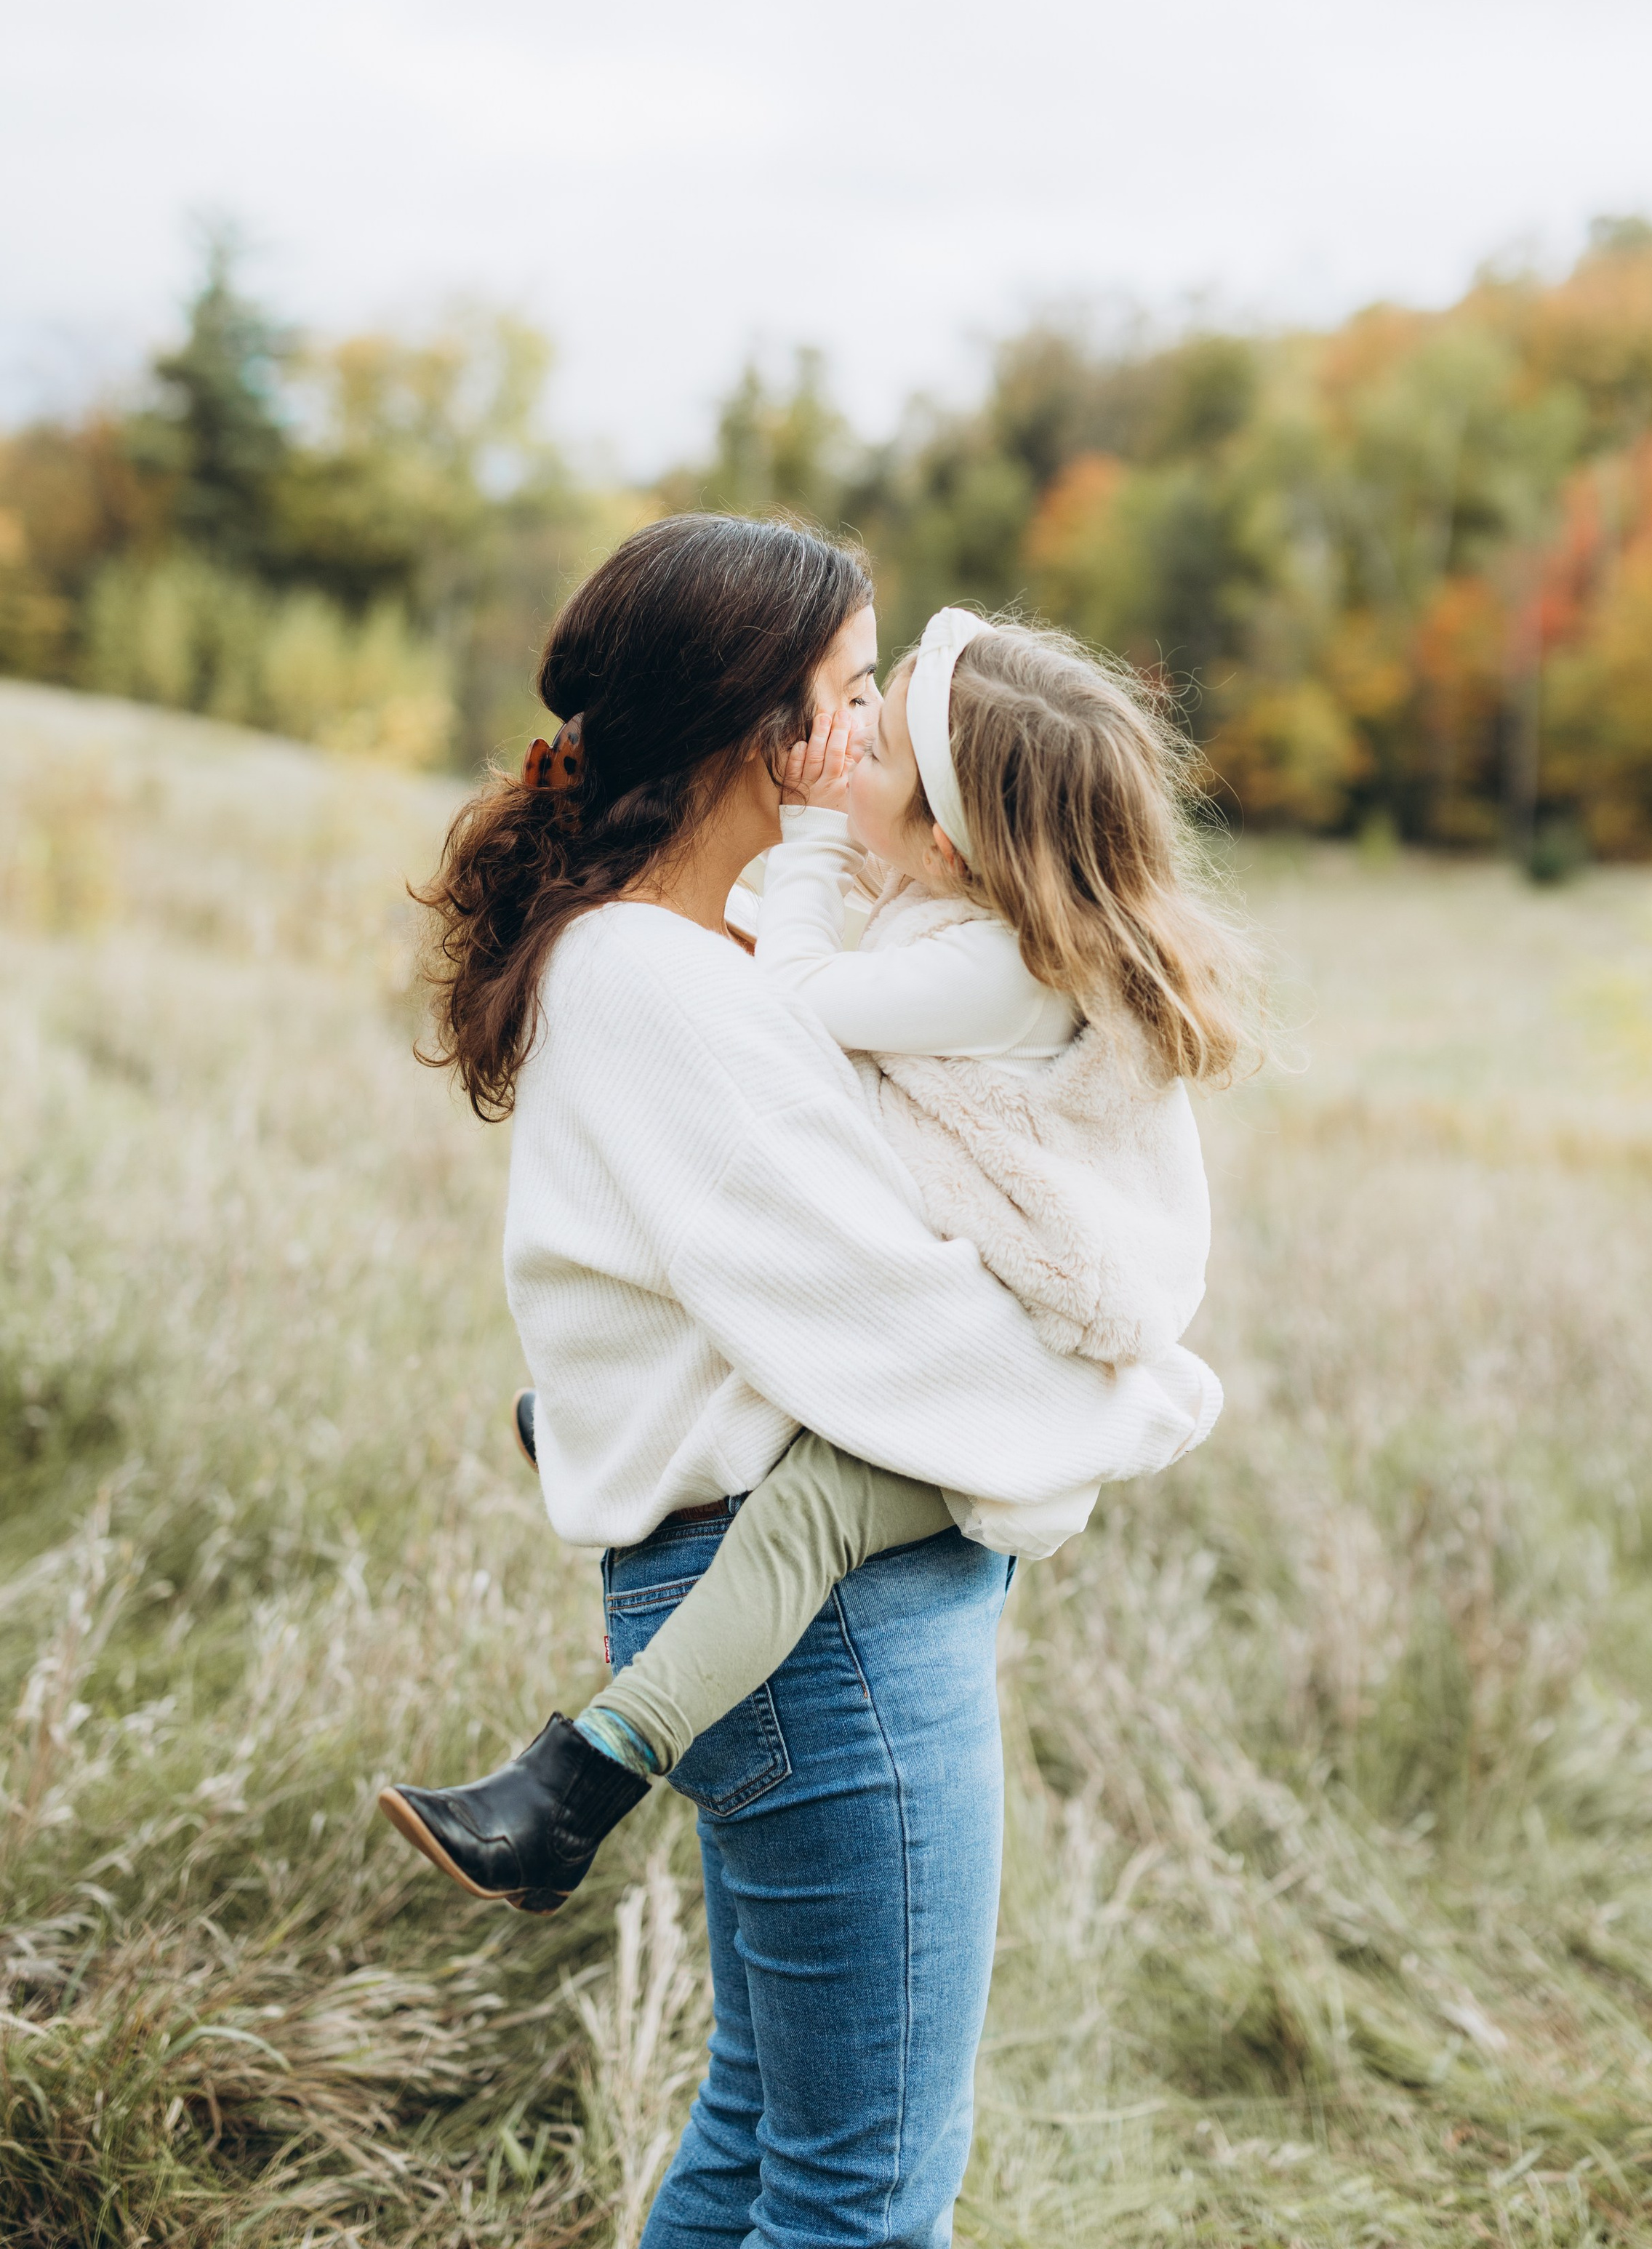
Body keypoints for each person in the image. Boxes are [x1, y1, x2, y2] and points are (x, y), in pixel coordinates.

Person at [378, 515, 1225, 2249]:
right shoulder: (659, 984)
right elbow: (903, 1339)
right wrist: (1128, 1405)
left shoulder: (709, 957)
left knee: (771, 2132)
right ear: (755, 731)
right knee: (862, 2189)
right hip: (823, 1627)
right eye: (845, 692)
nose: (859, 728)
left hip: (798, 1611)